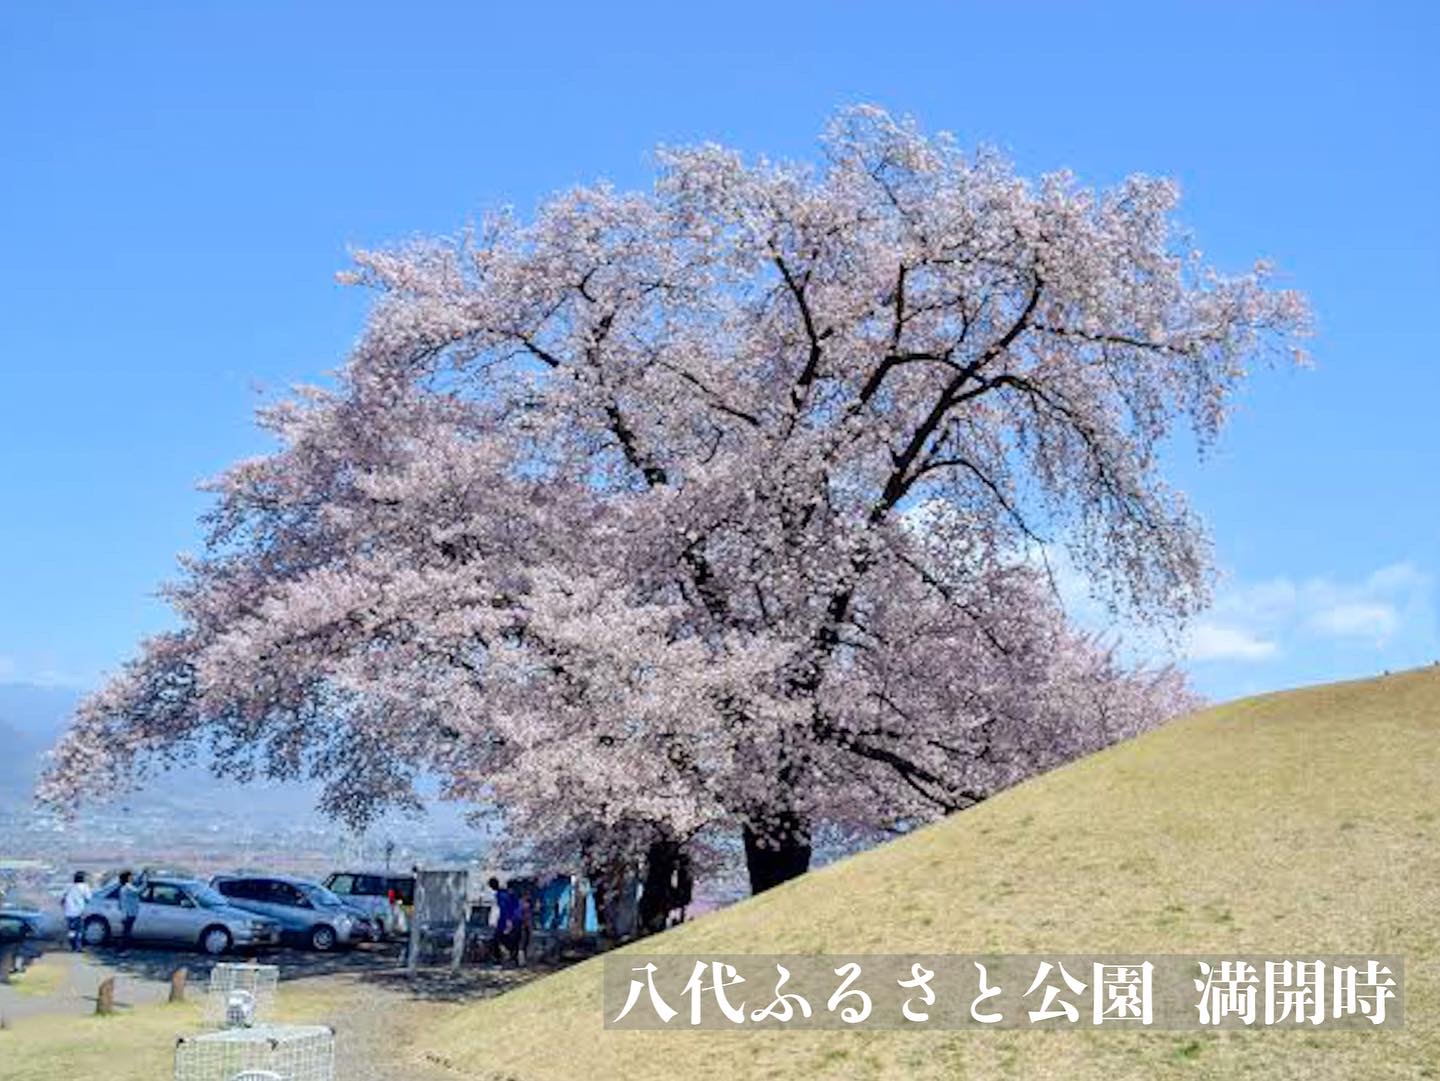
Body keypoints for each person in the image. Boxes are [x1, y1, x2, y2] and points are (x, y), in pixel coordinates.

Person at [489, 876, 522, 966]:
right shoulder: (512, 895)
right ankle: (514, 959)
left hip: (507, 921)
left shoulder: (501, 895)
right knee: (514, 941)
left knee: (497, 940)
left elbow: (504, 909)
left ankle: (499, 960)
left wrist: (508, 921)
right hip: (515, 920)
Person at [61, 871, 92, 952]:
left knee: (71, 930)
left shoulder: (69, 886)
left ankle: (72, 946)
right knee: (79, 930)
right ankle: (78, 947)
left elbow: (63, 899)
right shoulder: (85, 887)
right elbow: (88, 898)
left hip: (68, 912)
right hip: (79, 912)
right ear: (83, 879)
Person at [117, 870, 141, 949]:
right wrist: (146, 884)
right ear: (128, 877)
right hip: (129, 913)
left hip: (125, 913)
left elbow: (120, 903)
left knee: (126, 932)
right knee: (126, 933)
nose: (132, 878)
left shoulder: (123, 887)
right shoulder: (128, 886)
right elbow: (138, 892)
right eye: (131, 876)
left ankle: (122, 949)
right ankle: (122, 950)